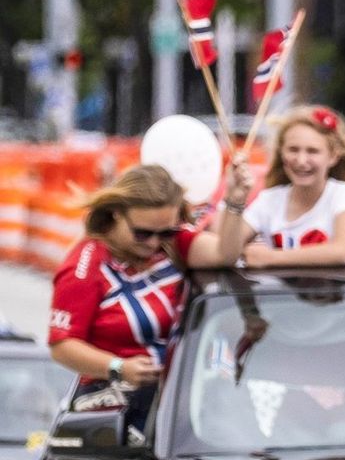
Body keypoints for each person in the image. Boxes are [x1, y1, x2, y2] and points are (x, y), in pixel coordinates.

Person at [47, 162, 254, 430]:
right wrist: (118, 367)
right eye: (142, 233)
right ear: (115, 214)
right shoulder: (85, 266)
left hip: (181, 400)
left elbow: (225, 254)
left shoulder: (174, 244)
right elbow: (62, 346)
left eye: (166, 231)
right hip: (113, 408)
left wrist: (235, 203)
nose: (154, 243)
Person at [241, 105, 345, 267]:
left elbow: (341, 252)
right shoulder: (269, 199)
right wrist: (233, 198)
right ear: (281, 153)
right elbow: (229, 246)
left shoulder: (343, 193)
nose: (301, 161)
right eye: (293, 150)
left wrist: (271, 258)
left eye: (312, 151)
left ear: (333, 156)